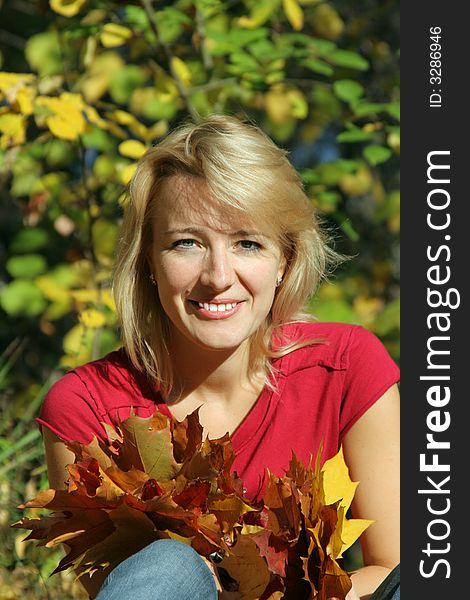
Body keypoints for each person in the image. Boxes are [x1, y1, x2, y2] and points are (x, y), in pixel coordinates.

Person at [38, 115, 400, 600]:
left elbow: (397, 568)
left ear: (284, 262)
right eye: (186, 243)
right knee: (168, 564)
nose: (218, 276)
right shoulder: (86, 408)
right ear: (148, 259)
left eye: (248, 243)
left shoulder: (346, 368)